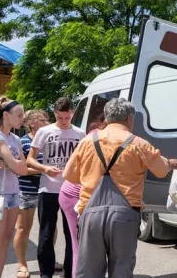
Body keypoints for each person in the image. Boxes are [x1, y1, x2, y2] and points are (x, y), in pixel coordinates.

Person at [62, 98, 177, 278]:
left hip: (90, 212)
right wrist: (170, 163)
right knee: (122, 268)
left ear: (108, 117)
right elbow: (161, 170)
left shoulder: (87, 141)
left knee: (88, 270)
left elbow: (69, 176)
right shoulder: (139, 143)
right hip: (125, 215)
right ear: (129, 119)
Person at [27, 97, 85, 278]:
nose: (63, 121)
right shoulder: (44, 131)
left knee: (72, 235)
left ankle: (70, 272)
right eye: (60, 118)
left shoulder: (80, 134)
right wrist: (45, 168)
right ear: (54, 113)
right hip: (48, 189)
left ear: (72, 113)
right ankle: (46, 274)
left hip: (72, 190)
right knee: (46, 233)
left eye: (67, 118)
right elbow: (29, 159)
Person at [58, 112, 106, 278]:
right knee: (80, 245)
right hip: (74, 195)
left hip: (84, 195)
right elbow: (69, 172)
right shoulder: (94, 137)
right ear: (103, 122)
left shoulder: (104, 136)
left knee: (88, 245)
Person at [14, 109, 50, 278]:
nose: (47, 122)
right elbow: (19, 169)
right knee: (23, 228)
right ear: (32, 124)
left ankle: (48, 260)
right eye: (43, 120)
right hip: (26, 190)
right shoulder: (23, 142)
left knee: (49, 228)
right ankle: (22, 264)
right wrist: (43, 170)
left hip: (46, 189)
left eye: (47, 119)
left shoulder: (49, 141)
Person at [0, 96, 28, 278]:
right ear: (6, 115)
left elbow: (23, 169)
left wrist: (9, 164)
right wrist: (13, 164)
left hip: (14, 194)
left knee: (5, 241)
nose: (22, 118)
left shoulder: (15, 138)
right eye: (19, 114)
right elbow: (18, 166)